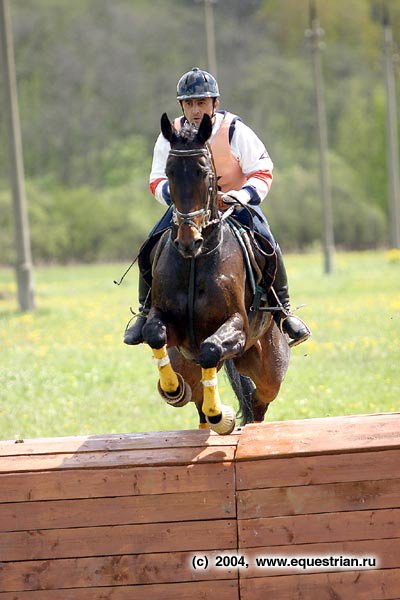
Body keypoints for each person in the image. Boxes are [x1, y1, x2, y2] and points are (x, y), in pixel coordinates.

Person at [124, 67, 311, 347]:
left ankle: (283, 311)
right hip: (189, 209)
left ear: (215, 103)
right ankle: (144, 310)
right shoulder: (170, 134)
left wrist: (242, 196)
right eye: (189, 103)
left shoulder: (235, 130)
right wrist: (174, 198)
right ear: (181, 106)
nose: (195, 110)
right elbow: (156, 179)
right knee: (150, 244)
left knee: (267, 242)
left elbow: (262, 171)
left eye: (201, 102)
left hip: (236, 205)